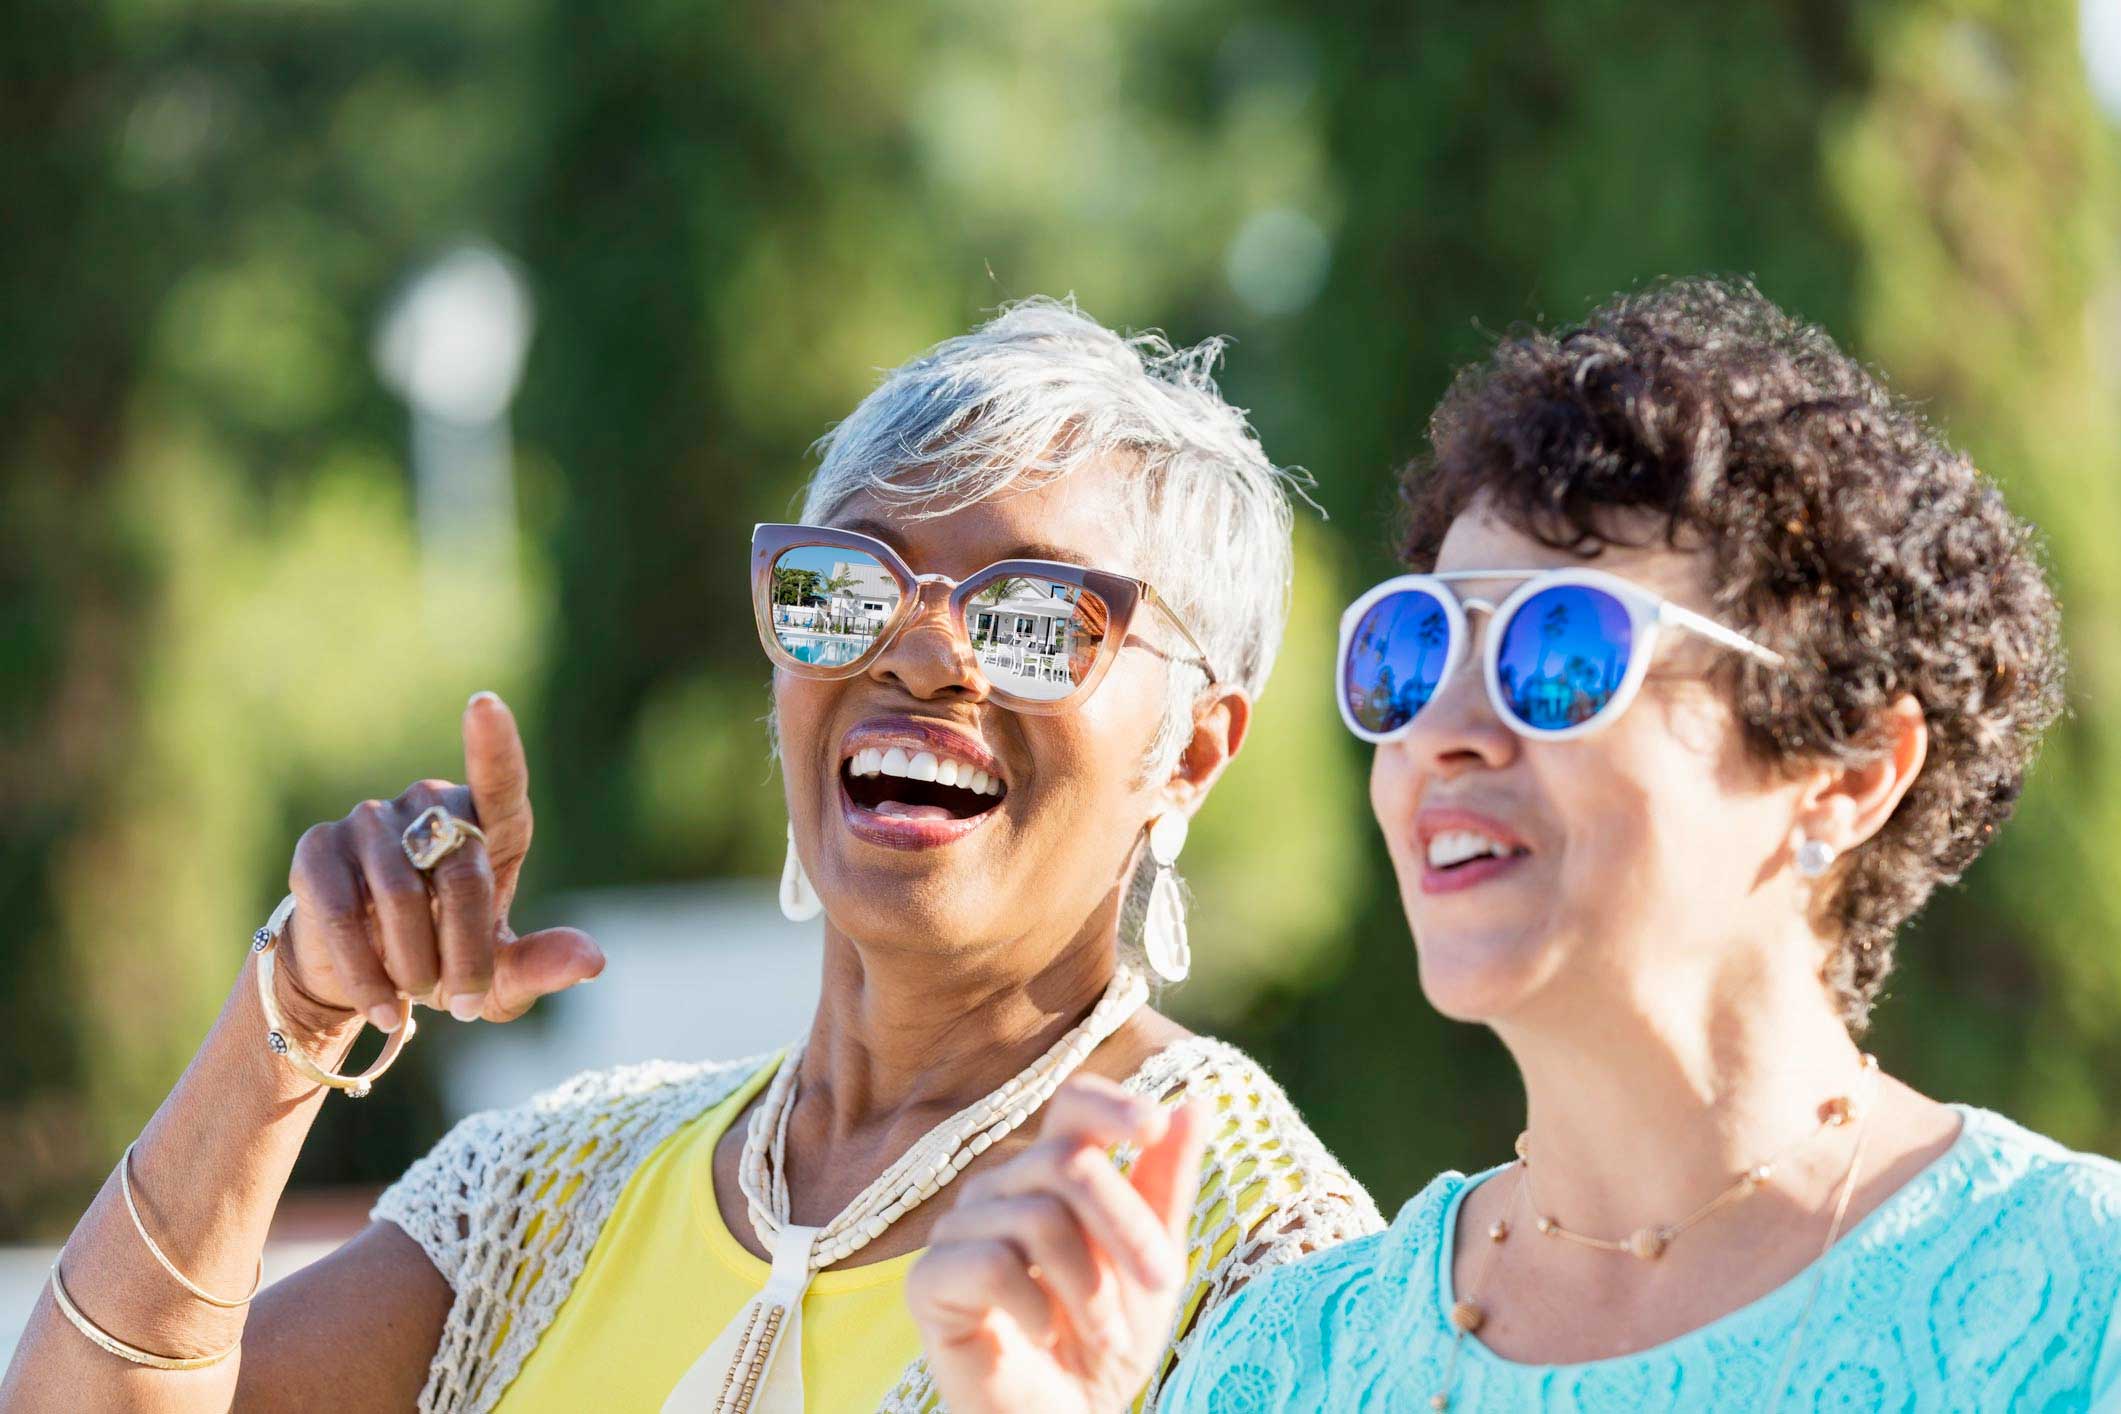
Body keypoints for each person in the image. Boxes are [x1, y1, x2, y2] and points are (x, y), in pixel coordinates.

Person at [1, 299, 1381, 1412]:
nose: (921, 654)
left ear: (1195, 746)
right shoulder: (546, 1193)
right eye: (848, 587)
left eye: (1029, 616)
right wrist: (294, 1013)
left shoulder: (1256, 1253)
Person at [907, 278, 2121, 1410]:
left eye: (1559, 653)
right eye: (1414, 653)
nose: (1445, 731)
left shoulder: (2076, 1300)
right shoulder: (1288, 1360)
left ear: (1848, 771)